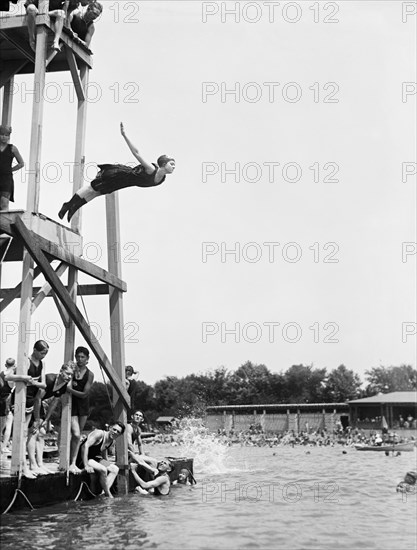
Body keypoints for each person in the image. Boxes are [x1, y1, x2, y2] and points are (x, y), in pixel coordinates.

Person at [58, 122, 175, 222]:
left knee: (98, 193)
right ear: (163, 164)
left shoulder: (162, 179)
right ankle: (68, 205)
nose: (174, 167)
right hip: (120, 175)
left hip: (125, 183)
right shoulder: (151, 169)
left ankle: (74, 207)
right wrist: (124, 135)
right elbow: (136, 153)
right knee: (92, 188)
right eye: (171, 164)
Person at [6, 340, 49, 477]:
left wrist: (33, 382)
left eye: (46, 353)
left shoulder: (42, 364)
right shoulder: (26, 361)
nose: (44, 356)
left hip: (31, 398)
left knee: (27, 433)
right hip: (19, 397)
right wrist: (23, 377)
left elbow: (43, 385)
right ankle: (23, 467)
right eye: (42, 353)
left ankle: (30, 466)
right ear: (35, 350)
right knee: (21, 433)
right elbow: (8, 376)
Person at [28, 361, 75, 474]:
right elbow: (38, 398)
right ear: (61, 371)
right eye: (67, 373)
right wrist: (37, 419)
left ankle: (40, 464)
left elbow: (54, 403)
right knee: (33, 432)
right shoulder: (49, 379)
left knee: (42, 433)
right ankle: (32, 464)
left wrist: (46, 419)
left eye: (71, 375)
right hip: (29, 399)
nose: (69, 377)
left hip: (37, 402)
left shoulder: (64, 385)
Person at [76, 421, 125, 497]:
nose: (115, 432)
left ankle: (103, 492)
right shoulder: (99, 434)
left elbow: (103, 450)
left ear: (120, 435)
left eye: (118, 432)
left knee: (115, 469)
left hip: (94, 459)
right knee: (103, 470)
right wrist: (86, 465)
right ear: (110, 428)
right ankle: (108, 494)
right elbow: (84, 446)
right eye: (114, 429)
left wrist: (107, 463)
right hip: (82, 459)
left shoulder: (112, 441)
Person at [66, 346, 94, 473]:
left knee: (77, 436)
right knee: (76, 434)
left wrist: (70, 390)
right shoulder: (71, 369)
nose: (80, 359)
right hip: (71, 405)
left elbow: (84, 394)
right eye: (78, 356)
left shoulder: (90, 374)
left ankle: (73, 462)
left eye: (83, 357)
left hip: (83, 405)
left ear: (87, 359)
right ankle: (68, 461)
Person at [0, 125, 24, 211]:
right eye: (2, 134)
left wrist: (10, 170)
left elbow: (21, 163)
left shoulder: (12, 148)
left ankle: (4, 223)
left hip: (6, 179)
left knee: (4, 203)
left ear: (9, 136)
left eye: (6, 135)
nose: (4, 137)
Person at [127, 410, 159, 476]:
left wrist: (142, 454)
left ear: (142, 419)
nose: (138, 417)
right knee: (153, 461)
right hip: (127, 455)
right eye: (136, 415)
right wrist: (136, 456)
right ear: (132, 416)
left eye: (140, 416)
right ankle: (151, 482)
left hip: (131, 454)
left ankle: (149, 481)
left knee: (148, 456)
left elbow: (140, 444)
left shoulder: (138, 429)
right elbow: (129, 444)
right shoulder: (129, 427)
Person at [0, 358, 16, 453]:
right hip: (7, 401)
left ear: (6, 365)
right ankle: (4, 447)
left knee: (1, 424)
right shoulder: (12, 376)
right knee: (8, 425)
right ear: (14, 365)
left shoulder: (2, 373)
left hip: (0, 399)